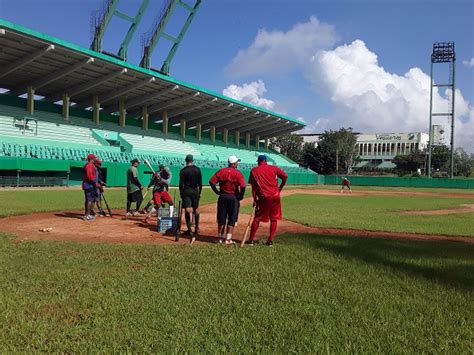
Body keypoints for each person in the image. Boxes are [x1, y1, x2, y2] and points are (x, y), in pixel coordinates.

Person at [246, 155, 288, 247]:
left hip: (264, 196)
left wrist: (255, 199)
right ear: (266, 161)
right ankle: (270, 241)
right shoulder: (273, 168)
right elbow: (285, 176)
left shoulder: (254, 170)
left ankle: (251, 240)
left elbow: (254, 188)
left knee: (257, 218)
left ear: (258, 161)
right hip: (276, 196)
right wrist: (280, 187)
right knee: (274, 218)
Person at [209, 155, 246, 245]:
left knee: (221, 217)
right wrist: (241, 196)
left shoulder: (221, 171)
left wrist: (217, 192)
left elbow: (211, 181)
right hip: (233, 197)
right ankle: (228, 239)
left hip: (223, 196)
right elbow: (243, 186)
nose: (237, 163)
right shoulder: (238, 173)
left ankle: (220, 238)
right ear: (233, 164)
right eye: (237, 162)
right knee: (231, 218)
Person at [179, 154, 202, 244]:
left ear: (186, 160)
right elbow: (200, 183)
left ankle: (189, 230)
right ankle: (197, 227)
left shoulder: (183, 171)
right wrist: (199, 192)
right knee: (196, 209)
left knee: (187, 210)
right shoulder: (197, 169)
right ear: (192, 160)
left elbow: (181, 184)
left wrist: (181, 193)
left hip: (187, 191)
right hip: (195, 190)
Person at [82, 153, 99, 221]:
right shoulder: (89, 165)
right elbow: (90, 176)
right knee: (89, 200)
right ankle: (87, 215)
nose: (95, 159)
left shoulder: (89, 165)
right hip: (89, 185)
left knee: (88, 200)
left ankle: (87, 214)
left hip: (89, 185)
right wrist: (95, 183)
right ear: (91, 159)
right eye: (94, 158)